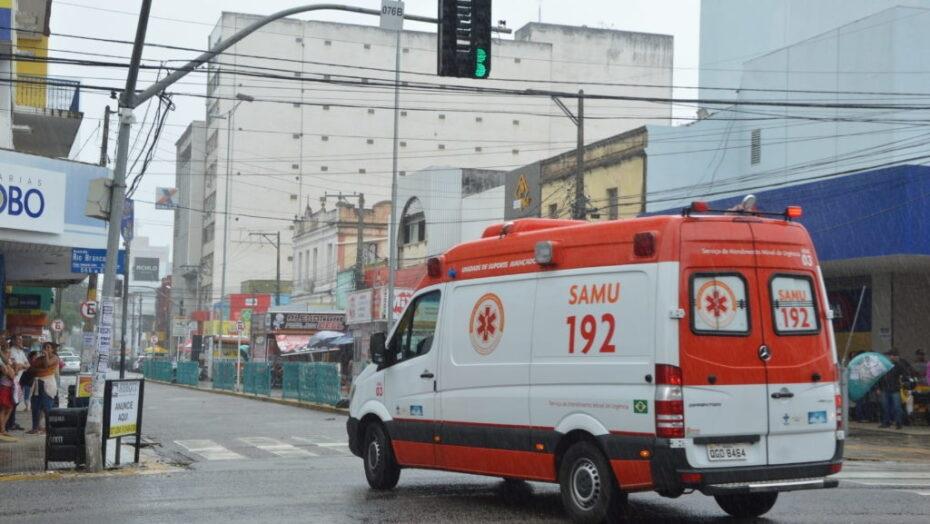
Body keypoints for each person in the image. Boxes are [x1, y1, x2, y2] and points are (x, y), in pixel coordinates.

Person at [27, 342, 59, 435]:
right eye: (44, 347)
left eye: (48, 347)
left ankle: (48, 428)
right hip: (37, 383)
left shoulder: (55, 358)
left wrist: (45, 356)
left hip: (47, 384)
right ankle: (35, 428)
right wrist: (40, 370)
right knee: (35, 407)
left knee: (47, 407)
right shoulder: (39, 358)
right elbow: (31, 369)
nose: (46, 349)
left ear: (52, 349)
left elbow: (46, 365)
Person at [878, 350, 909, 429]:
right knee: (885, 407)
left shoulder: (899, 365)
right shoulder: (884, 365)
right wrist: (878, 387)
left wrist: (904, 383)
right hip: (885, 388)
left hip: (895, 389)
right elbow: (880, 377)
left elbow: (905, 375)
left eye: (895, 355)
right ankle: (886, 422)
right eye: (892, 355)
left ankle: (898, 423)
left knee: (897, 407)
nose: (893, 357)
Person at [6, 335, 28, 431]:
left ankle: (12, 422)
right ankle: (8, 424)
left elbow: (28, 365)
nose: (20, 341)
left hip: (19, 380)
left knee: (15, 402)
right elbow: (13, 365)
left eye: (21, 340)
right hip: (12, 380)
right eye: (18, 339)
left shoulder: (21, 352)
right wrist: (20, 366)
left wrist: (21, 366)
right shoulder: (11, 351)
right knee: (10, 403)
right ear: (14, 341)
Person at [0, 340, 18, 442]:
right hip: (4, 388)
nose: (9, 355)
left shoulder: (8, 364)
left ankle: (3, 427)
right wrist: (13, 369)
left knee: (9, 408)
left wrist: (14, 368)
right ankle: (2, 428)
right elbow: (11, 375)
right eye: (7, 353)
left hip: (9, 388)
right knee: (3, 409)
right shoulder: (3, 365)